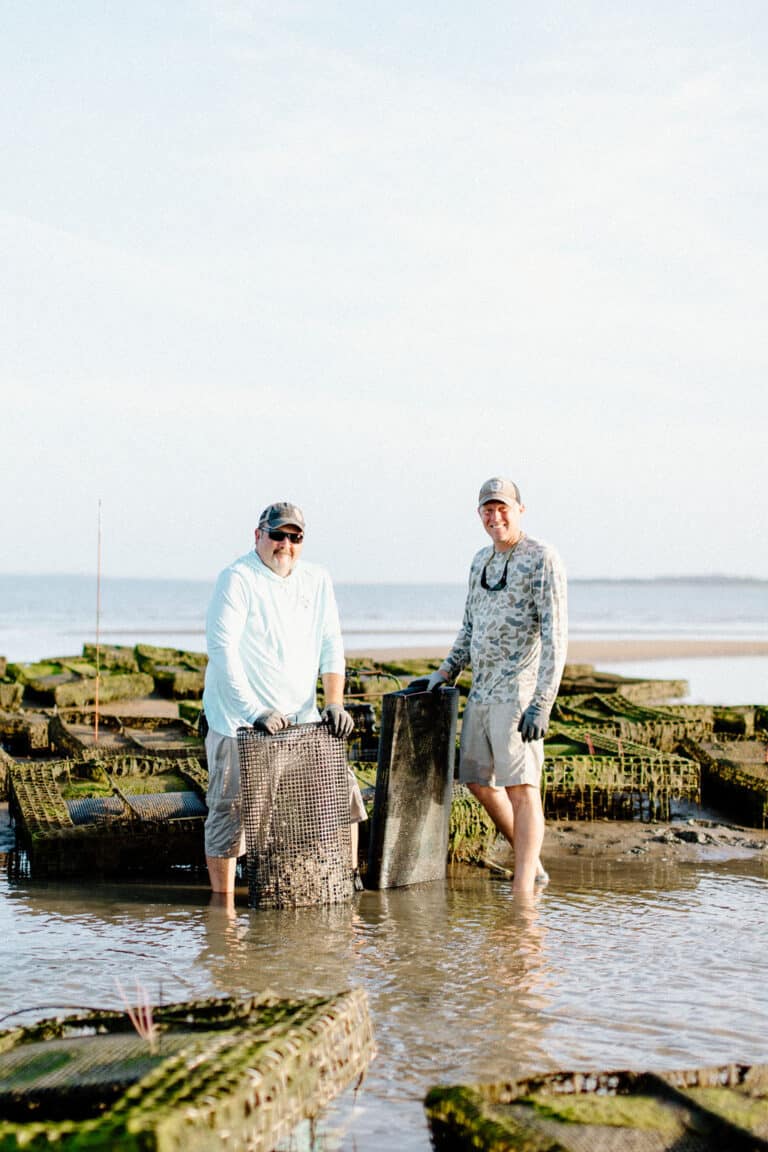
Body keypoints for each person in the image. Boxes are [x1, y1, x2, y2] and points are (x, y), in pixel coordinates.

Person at [201, 501, 365, 895]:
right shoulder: (237, 578)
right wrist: (254, 711)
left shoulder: (317, 579)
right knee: (230, 811)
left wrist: (334, 702)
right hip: (239, 724)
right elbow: (222, 650)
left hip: (301, 719)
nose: (285, 545)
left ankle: (346, 879)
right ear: (258, 535)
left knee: (342, 794)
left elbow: (331, 642)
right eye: (278, 535)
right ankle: (223, 911)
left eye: (295, 537)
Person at [427, 478, 567, 895]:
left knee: (521, 788)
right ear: (479, 515)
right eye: (488, 509)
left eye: (503, 507)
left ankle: (523, 892)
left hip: (519, 693)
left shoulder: (542, 557)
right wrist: (444, 673)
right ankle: (532, 865)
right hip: (483, 691)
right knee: (477, 781)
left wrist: (542, 703)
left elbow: (556, 636)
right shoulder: (480, 561)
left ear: (520, 510)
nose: (495, 516)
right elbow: (469, 627)